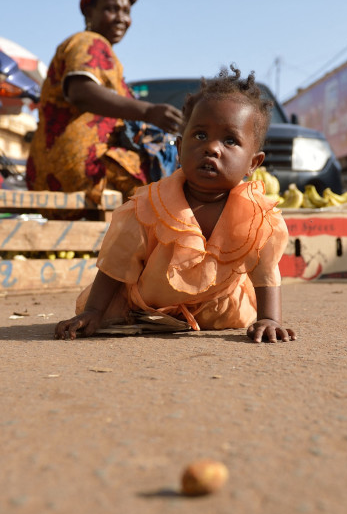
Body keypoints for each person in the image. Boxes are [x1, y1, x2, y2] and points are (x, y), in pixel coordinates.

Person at [55, 66, 296, 343]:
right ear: (180, 149)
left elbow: (265, 270)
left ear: (253, 163)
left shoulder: (257, 218)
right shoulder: (149, 208)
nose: (212, 148)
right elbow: (116, 264)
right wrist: (94, 311)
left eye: (230, 140)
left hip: (215, 307)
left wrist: (270, 319)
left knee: (235, 308)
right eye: (200, 135)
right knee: (116, 314)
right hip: (145, 308)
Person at [27, 0, 184, 205]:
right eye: (112, 9)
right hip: (80, 170)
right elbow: (81, 92)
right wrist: (148, 112)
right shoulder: (89, 42)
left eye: (126, 11)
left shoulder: (102, 53)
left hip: (44, 174)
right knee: (175, 185)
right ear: (90, 12)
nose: (121, 18)